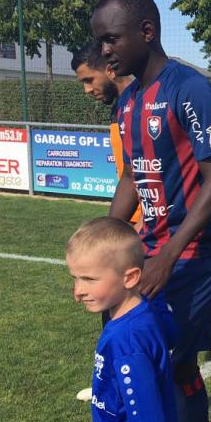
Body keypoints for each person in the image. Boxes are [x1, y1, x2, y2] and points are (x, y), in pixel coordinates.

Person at [92, 0, 211, 422]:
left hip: (196, 250)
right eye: (100, 41)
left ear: (146, 32)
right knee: (179, 362)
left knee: (158, 358)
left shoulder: (188, 88)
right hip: (152, 249)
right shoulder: (128, 100)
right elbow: (133, 175)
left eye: (111, 39)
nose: (105, 50)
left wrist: (168, 256)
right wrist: (105, 237)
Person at [66, 217, 178, 422]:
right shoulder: (139, 312)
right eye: (75, 278)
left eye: (89, 279)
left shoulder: (127, 342)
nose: (78, 292)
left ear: (129, 277)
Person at [70, 41, 141, 403]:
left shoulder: (143, 103)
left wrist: (142, 223)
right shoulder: (122, 108)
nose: (87, 90)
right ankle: (108, 379)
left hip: (147, 225)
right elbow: (128, 172)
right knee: (119, 304)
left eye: (88, 79)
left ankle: (113, 383)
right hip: (128, 221)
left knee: (123, 303)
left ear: (109, 70)